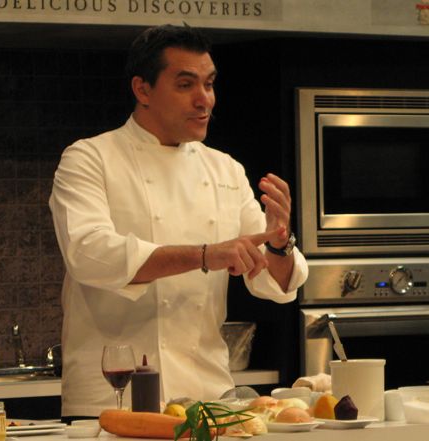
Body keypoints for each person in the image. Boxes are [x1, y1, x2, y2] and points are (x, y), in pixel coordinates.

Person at [49, 24, 309, 419]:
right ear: (143, 89)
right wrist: (205, 255)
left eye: (209, 84)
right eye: (186, 85)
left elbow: (273, 282)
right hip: (112, 399)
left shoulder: (225, 169)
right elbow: (89, 254)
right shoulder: (90, 159)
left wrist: (278, 240)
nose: (204, 100)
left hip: (209, 397)